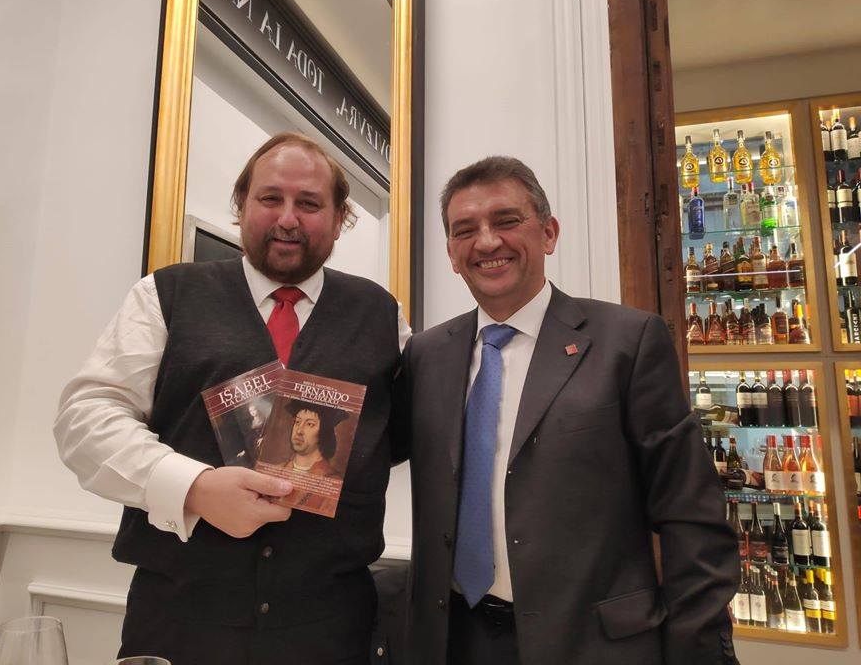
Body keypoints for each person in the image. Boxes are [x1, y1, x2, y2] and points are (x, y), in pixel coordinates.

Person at [54, 132, 410, 665]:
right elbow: (85, 419)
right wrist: (193, 487)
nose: (287, 218)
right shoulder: (164, 294)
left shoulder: (381, 314)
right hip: (178, 621)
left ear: (340, 219)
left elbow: (402, 433)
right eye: (270, 198)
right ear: (241, 205)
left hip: (331, 627)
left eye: (309, 204)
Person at [392, 156, 740, 665]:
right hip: (451, 641)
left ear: (549, 233)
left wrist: (698, 649)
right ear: (451, 253)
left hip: (590, 645)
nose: (486, 242)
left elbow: (691, 515)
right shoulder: (426, 355)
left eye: (506, 220)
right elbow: (365, 449)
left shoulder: (627, 342)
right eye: (464, 230)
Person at [277, 400, 343, 479]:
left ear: (324, 432)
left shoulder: (332, 479)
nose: (299, 431)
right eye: (297, 422)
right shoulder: (277, 469)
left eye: (309, 424)